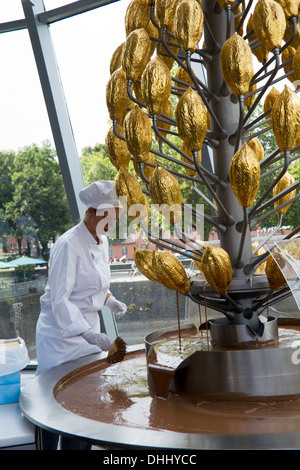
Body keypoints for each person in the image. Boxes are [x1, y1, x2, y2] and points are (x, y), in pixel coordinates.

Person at [35, 180, 127, 450]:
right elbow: (59, 299)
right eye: (106, 218)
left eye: (114, 219)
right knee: (53, 409)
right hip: (60, 338)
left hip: (89, 335)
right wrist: (88, 333)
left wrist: (110, 301)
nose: (110, 224)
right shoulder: (68, 245)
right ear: (90, 212)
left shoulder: (102, 240)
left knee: (85, 407)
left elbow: (95, 287)